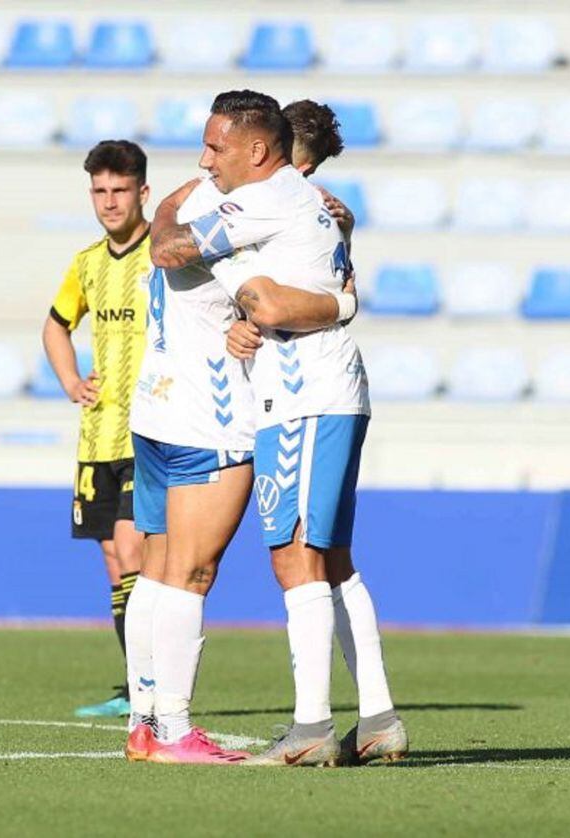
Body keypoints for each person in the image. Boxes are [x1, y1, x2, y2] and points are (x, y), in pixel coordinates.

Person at [123, 91, 356, 764]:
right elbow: (226, 276)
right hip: (211, 412)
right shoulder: (256, 208)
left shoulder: (193, 200)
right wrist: (340, 302)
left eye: (213, 148)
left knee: (159, 569)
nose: (205, 160)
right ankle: (171, 729)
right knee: (189, 576)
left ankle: (144, 721)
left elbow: (164, 231)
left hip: (156, 404)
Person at [222, 101, 406, 766]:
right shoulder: (325, 215)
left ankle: (310, 728)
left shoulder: (290, 205)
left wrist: (261, 311)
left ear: (281, 156)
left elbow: (284, 300)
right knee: (331, 559)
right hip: (328, 387)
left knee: (294, 555)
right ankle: (379, 718)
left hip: (304, 394)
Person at [43, 140, 152, 717]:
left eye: (120, 189)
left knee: (134, 550)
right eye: (100, 191)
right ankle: (138, 685)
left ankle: (153, 686)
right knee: (113, 558)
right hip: (97, 434)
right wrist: (70, 382)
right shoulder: (87, 263)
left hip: (149, 432)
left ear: (142, 192)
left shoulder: (166, 253)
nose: (110, 202)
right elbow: (55, 325)